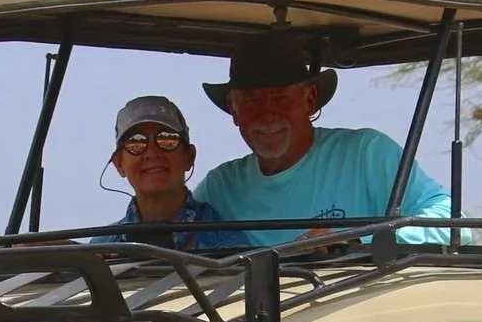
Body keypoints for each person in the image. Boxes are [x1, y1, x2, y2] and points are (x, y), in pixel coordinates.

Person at [194, 34, 453, 243]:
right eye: (251, 101)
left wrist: (354, 242)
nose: (267, 114)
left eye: (280, 97)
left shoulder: (366, 153)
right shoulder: (220, 188)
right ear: (233, 109)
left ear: (309, 100)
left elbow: (452, 224)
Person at [99, 95, 254, 251]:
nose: (152, 153)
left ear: (189, 157)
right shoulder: (102, 246)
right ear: (119, 163)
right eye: (136, 142)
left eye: (167, 139)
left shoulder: (228, 245)